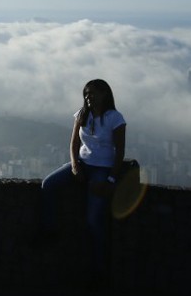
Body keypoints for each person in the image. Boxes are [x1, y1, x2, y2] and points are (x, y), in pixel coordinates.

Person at [39, 79, 127, 287]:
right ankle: (49, 231)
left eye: (93, 93)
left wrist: (111, 179)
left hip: (102, 169)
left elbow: (120, 151)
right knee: (48, 184)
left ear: (105, 94)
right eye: (86, 94)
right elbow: (73, 143)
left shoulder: (115, 118)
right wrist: (75, 166)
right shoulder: (81, 114)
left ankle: (99, 271)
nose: (89, 97)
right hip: (82, 164)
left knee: (93, 220)